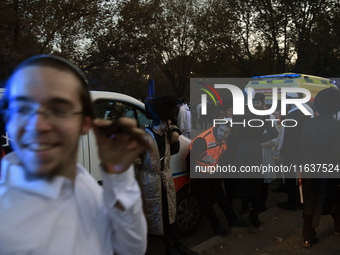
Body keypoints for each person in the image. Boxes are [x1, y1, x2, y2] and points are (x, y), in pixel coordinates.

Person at [0, 55, 147, 255]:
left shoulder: (80, 179)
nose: (37, 125)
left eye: (59, 110)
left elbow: (130, 248)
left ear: (86, 123)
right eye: (22, 109)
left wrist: (118, 174)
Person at [135, 97, 197, 255]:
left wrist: (176, 131)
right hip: (150, 181)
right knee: (156, 215)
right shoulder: (143, 137)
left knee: (169, 212)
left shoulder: (167, 134)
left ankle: (177, 245)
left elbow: (175, 145)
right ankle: (170, 247)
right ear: (160, 121)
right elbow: (135, 163)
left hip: (165, 179)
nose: (169, 122)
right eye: (167, 120)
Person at [189, 119, 248, 236]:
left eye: (227, 133)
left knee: (220, 195)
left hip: (212, 170)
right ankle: (216, 226)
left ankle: (232, 219)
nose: (223, 134)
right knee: (206, 199)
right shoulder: (203, 140)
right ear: (216, 126)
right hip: (201, 172)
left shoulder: (224, 139)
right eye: (221, 130)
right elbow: (189, 159)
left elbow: (218, 154)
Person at [299, 87, 340, 248]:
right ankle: (337, 228)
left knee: (309, 202)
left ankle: (307, 237)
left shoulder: (307, 124)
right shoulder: (337, 126)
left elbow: (301, 148)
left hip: (311, 169)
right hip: (331, 170)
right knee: (336, 201)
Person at [232, 91, 278, 228]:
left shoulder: (240, 113)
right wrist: (258, 139)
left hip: (241, 149)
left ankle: (246, 207)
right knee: (255, 182)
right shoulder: (263, 115)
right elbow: (274, 132)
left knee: (242, 180)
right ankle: (254, 216)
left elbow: (234, 133)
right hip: (254, 150)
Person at [277, 92, 312, 211]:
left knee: (290, 178)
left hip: (292, 153)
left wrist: (283, 153)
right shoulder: (304, 113)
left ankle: (292, 203)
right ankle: (302, 201)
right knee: (300, 178)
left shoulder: (294, 116)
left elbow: (289, 138)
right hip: (303, 151)